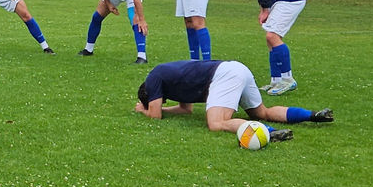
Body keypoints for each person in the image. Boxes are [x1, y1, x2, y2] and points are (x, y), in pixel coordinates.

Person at [134, 59, 334, 140]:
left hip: (222, 75)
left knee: (216, 123)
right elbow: (185, 110)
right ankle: (312, 115)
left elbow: (155, 115)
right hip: (236, 68)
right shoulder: (169, 82)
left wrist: (143, 111)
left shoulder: (153, 78)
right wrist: (163, 111)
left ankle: (270, 133)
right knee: (262, 112)